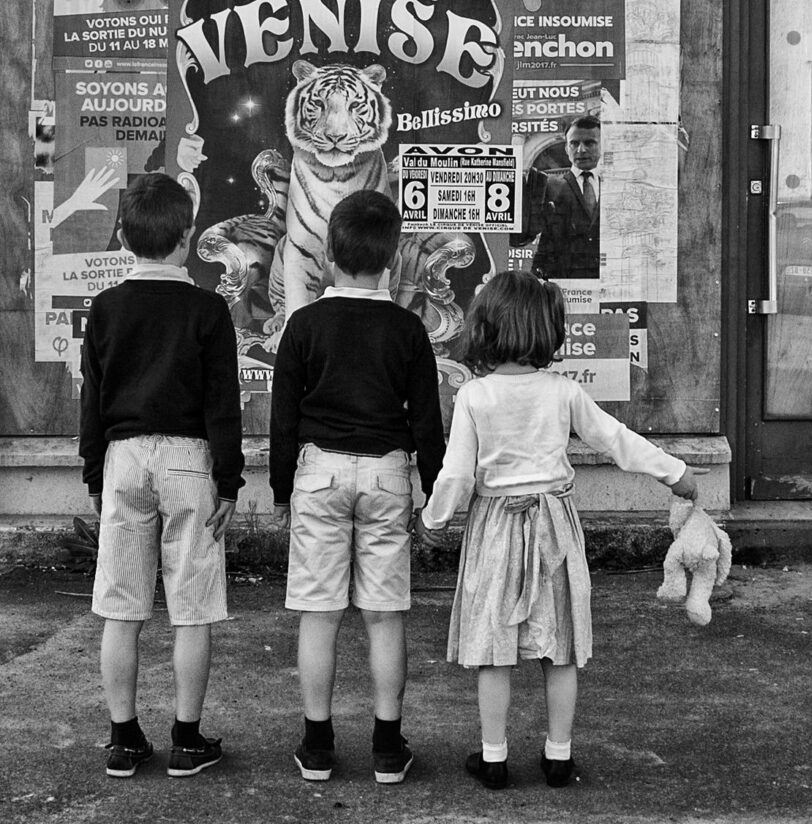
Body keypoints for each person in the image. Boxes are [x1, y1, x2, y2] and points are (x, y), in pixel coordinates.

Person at [414, 270, 707, 789]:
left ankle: (494, 757)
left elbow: (457, 473)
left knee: (494, 648)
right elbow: (616, 439)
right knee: (561, 645)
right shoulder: (562, 392)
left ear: (484, 327)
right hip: (555, 528)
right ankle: (558, 756)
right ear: (547, 330)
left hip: (496, 529)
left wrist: (432, 519)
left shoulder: (475, 397)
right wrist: (676, 473)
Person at [269, 189, 445, 785]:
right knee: (384, 615)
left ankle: (317, 746)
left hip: (318, 473)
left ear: (328, 253)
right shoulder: (407, 329)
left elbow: (283, 419)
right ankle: (388, 748)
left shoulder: (303, 324)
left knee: (318, 615)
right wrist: (436, 493)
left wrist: (278, 492)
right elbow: (426, 421)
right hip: (387, 472)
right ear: (390, 257)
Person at [79, 172, 245, 780]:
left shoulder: (105, 307)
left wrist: (96, 474)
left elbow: (92, 400)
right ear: (187, 235)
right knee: (192, 606)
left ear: (123, 236)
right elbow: (221, 401)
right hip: (189, 459)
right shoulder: (207, 309)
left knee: (122, 606)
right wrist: (229, 479)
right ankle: (187, 740)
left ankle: (123, 739)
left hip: (123, 455)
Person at [531, 115, 602, 279]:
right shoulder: (548, 187)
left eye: (589, 143)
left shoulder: (617, 185)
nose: (581, 150)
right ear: (566, 149)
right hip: (563, 284)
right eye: (574, 143)